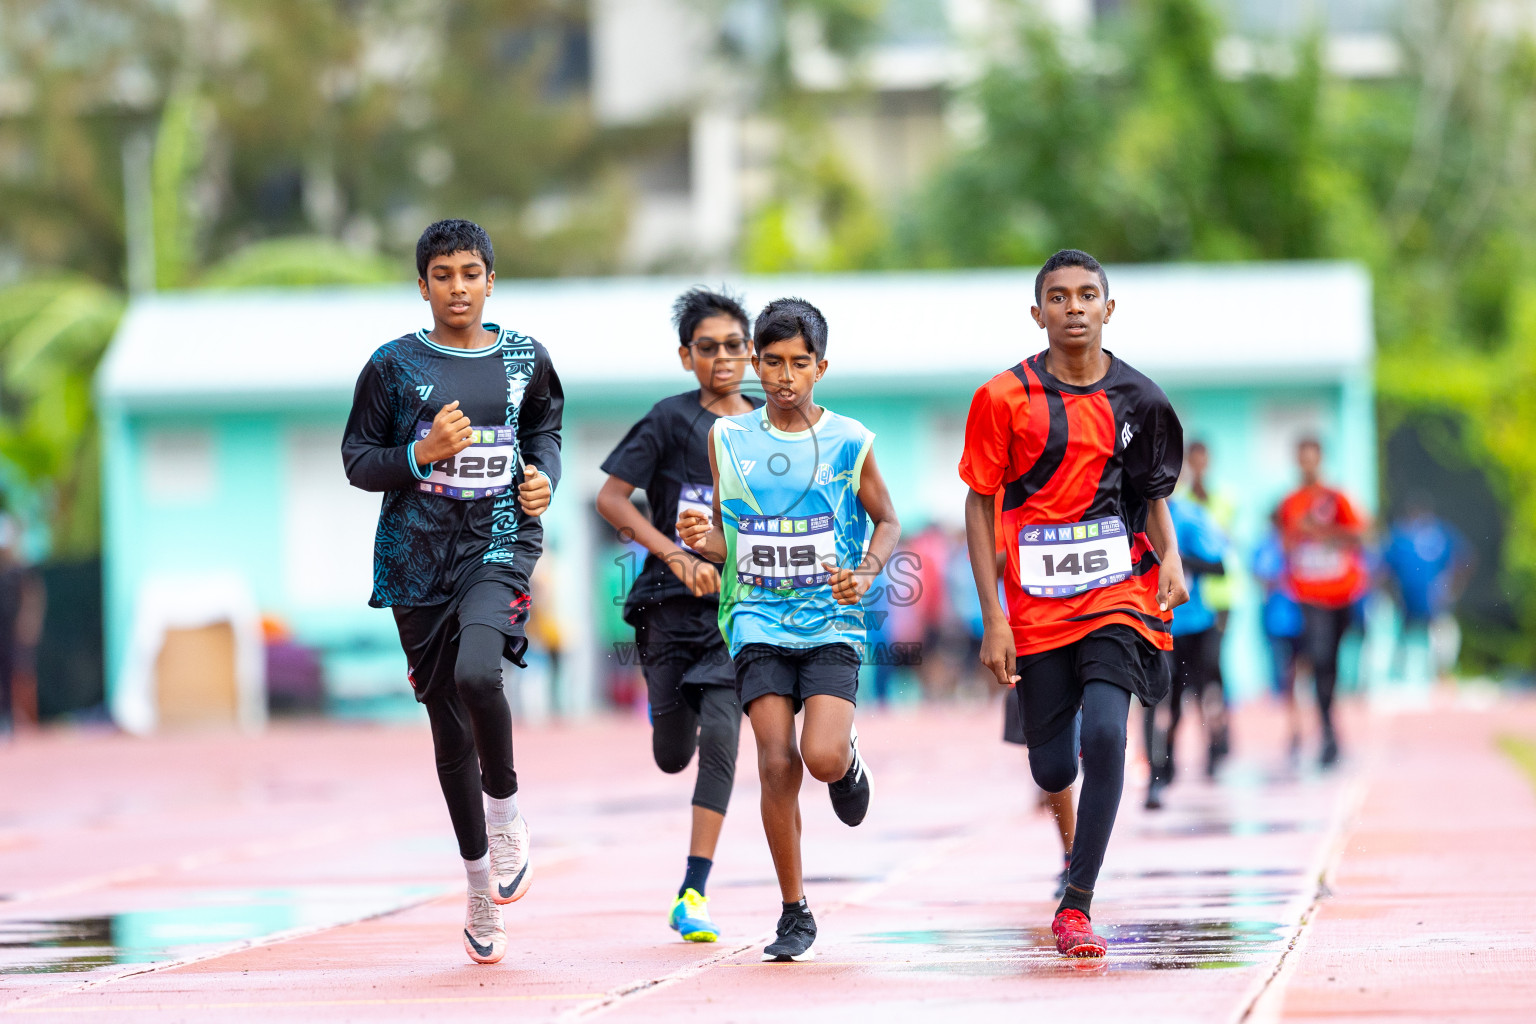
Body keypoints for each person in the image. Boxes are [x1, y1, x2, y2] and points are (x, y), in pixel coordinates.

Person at [342, 219, 562, 965]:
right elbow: (358, 460)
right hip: (416, 559)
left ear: (491, 280)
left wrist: (542, 480)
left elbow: (546, 432)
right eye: (443, 274)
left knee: (479, 673)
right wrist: (422, 452)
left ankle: (505, 816)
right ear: (423, 284)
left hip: (498, 542)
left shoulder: (525, 357)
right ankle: (477, 888)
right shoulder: (394, 366)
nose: (458, 287)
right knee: (447, 725)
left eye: (471, 272)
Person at [960, 248, 1186, 959]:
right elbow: (978, 503)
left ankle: (1077, 903)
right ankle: (1065, 828)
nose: (1076, 308)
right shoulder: (1003, 400)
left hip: (1118, 593)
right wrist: (993, 616)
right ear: (1039, 313)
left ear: (1108, 308)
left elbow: (1149, 496)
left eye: (1089, 295)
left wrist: (1171, 557)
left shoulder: (1142, 401)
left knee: (1108, 736)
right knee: (1052, 766)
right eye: (1059, 297)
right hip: (1033, 607)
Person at [678, 297, 900, 963]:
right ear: (754, 362)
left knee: (821, 758)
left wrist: (865, 572)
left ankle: (849, 757)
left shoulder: (849, 441)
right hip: (756, 621)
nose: (783, 376)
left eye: (798, 363)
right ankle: (794, 910)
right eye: (770, 362)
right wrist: (701, 539)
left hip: (831, 620)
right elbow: (728, 537)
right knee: (777, 762)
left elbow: (888, 520)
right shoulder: (729, 439)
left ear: (820, 367)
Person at [595, 287, 761, 943]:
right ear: (686, 355)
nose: (722, 358)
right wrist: (671, 552)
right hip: (666, 613)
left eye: (733, 346)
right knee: (671, 755)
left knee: (723, 738)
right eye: (708, 347)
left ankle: (694, 889)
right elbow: (612, 497)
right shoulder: (667, 421)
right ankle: (674, 717)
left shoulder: (768, 427)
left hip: (735, 612)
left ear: (750, 351)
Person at [1276, 437, 1369, 767]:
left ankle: (1331, 727)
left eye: (1312, 459)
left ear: (1321, 461)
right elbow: (1286, 545)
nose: (1307, 465)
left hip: (1342, 592)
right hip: (1309, 594)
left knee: (1331, 663)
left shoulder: (1337, 498)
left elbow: (1360, 537)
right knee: (1318, 657)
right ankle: (1328, 732)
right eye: (1302, 459)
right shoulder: (1290, 503)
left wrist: (1321, 533)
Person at [1143, 491, 1227, 809]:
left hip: (1192, 626)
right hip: (1150, 624)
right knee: (1154, 699)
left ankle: (1207, 751)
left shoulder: (1191, 517)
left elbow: (1218, 567)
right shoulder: (1127, 510)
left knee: (1184, 698)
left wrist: (1171, 558)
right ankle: (1154, 775)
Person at [1381, 495, 1473, 684]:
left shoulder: (1440, 533)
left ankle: (1442, 677)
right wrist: (1392, 594)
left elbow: (1464, 559)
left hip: (1437, 602)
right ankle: (1409, 680)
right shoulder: (1400, 536)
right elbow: (1384, 569)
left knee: (1443, 644)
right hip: (1408, 603)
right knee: (1410, 648)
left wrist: (1452, 589)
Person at [1253, 510, 1305, 756]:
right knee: (1288, 678)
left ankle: (1304, 724)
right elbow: (1262, 575)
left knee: (1304, 674)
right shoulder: (1268, 546)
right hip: (1278, 621)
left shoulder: (1302, 542)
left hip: (1304, 618)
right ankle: (1294, 727)